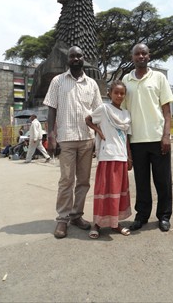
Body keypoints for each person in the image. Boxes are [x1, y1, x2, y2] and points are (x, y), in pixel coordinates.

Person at [44, 46, 103, 239]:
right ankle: (62, 219)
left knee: (84, 181)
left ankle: (76, 215)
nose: (76, 58)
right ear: (67, 60)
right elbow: (51, 110)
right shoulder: (58, 81)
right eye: (72, 56)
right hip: (66, 138)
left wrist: (100, 138)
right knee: (66, 180)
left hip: (86, 139)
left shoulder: (92, 84)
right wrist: (51, 136)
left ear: (83, 58)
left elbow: (98, 113)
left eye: (79, 56)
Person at [121, 43, 173, 232]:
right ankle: (142, 216)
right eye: (137, 54)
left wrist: (166, 135)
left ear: (149, 56)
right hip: (136, 140)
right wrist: (126, 146)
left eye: (144, 53)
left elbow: (167, 111)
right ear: (132, 57)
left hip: (158, 138)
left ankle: (164, 216)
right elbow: (124, 115)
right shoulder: (126, 80)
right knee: (142, 182)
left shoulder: (158, 78)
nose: (141, 56)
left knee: (163, 181)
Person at [84, 81, 133, 238]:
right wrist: (99, 131)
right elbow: (88, 119)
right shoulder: (104, 109)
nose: (119, 96)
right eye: (116, 92)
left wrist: (129, 157)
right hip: (107, 156)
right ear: (110, 93)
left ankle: (115, 224)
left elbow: (126, 137)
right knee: (104, 191)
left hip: (121, 157)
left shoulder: (126, 114)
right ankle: (97, 224)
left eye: (122, 93)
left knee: (117, 192)